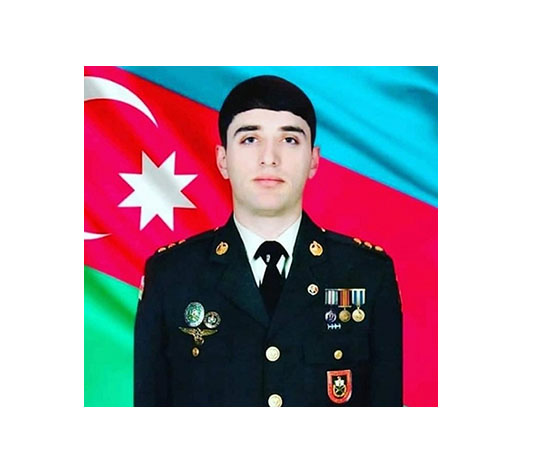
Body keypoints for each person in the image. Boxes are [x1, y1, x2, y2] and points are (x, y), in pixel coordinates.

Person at [134, 75, 403, 407]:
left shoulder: (367, 274)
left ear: (314, 160)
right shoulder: (171, 276)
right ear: (222, 159)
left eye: (289, 139)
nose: (269, 157)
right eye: (250, 139)